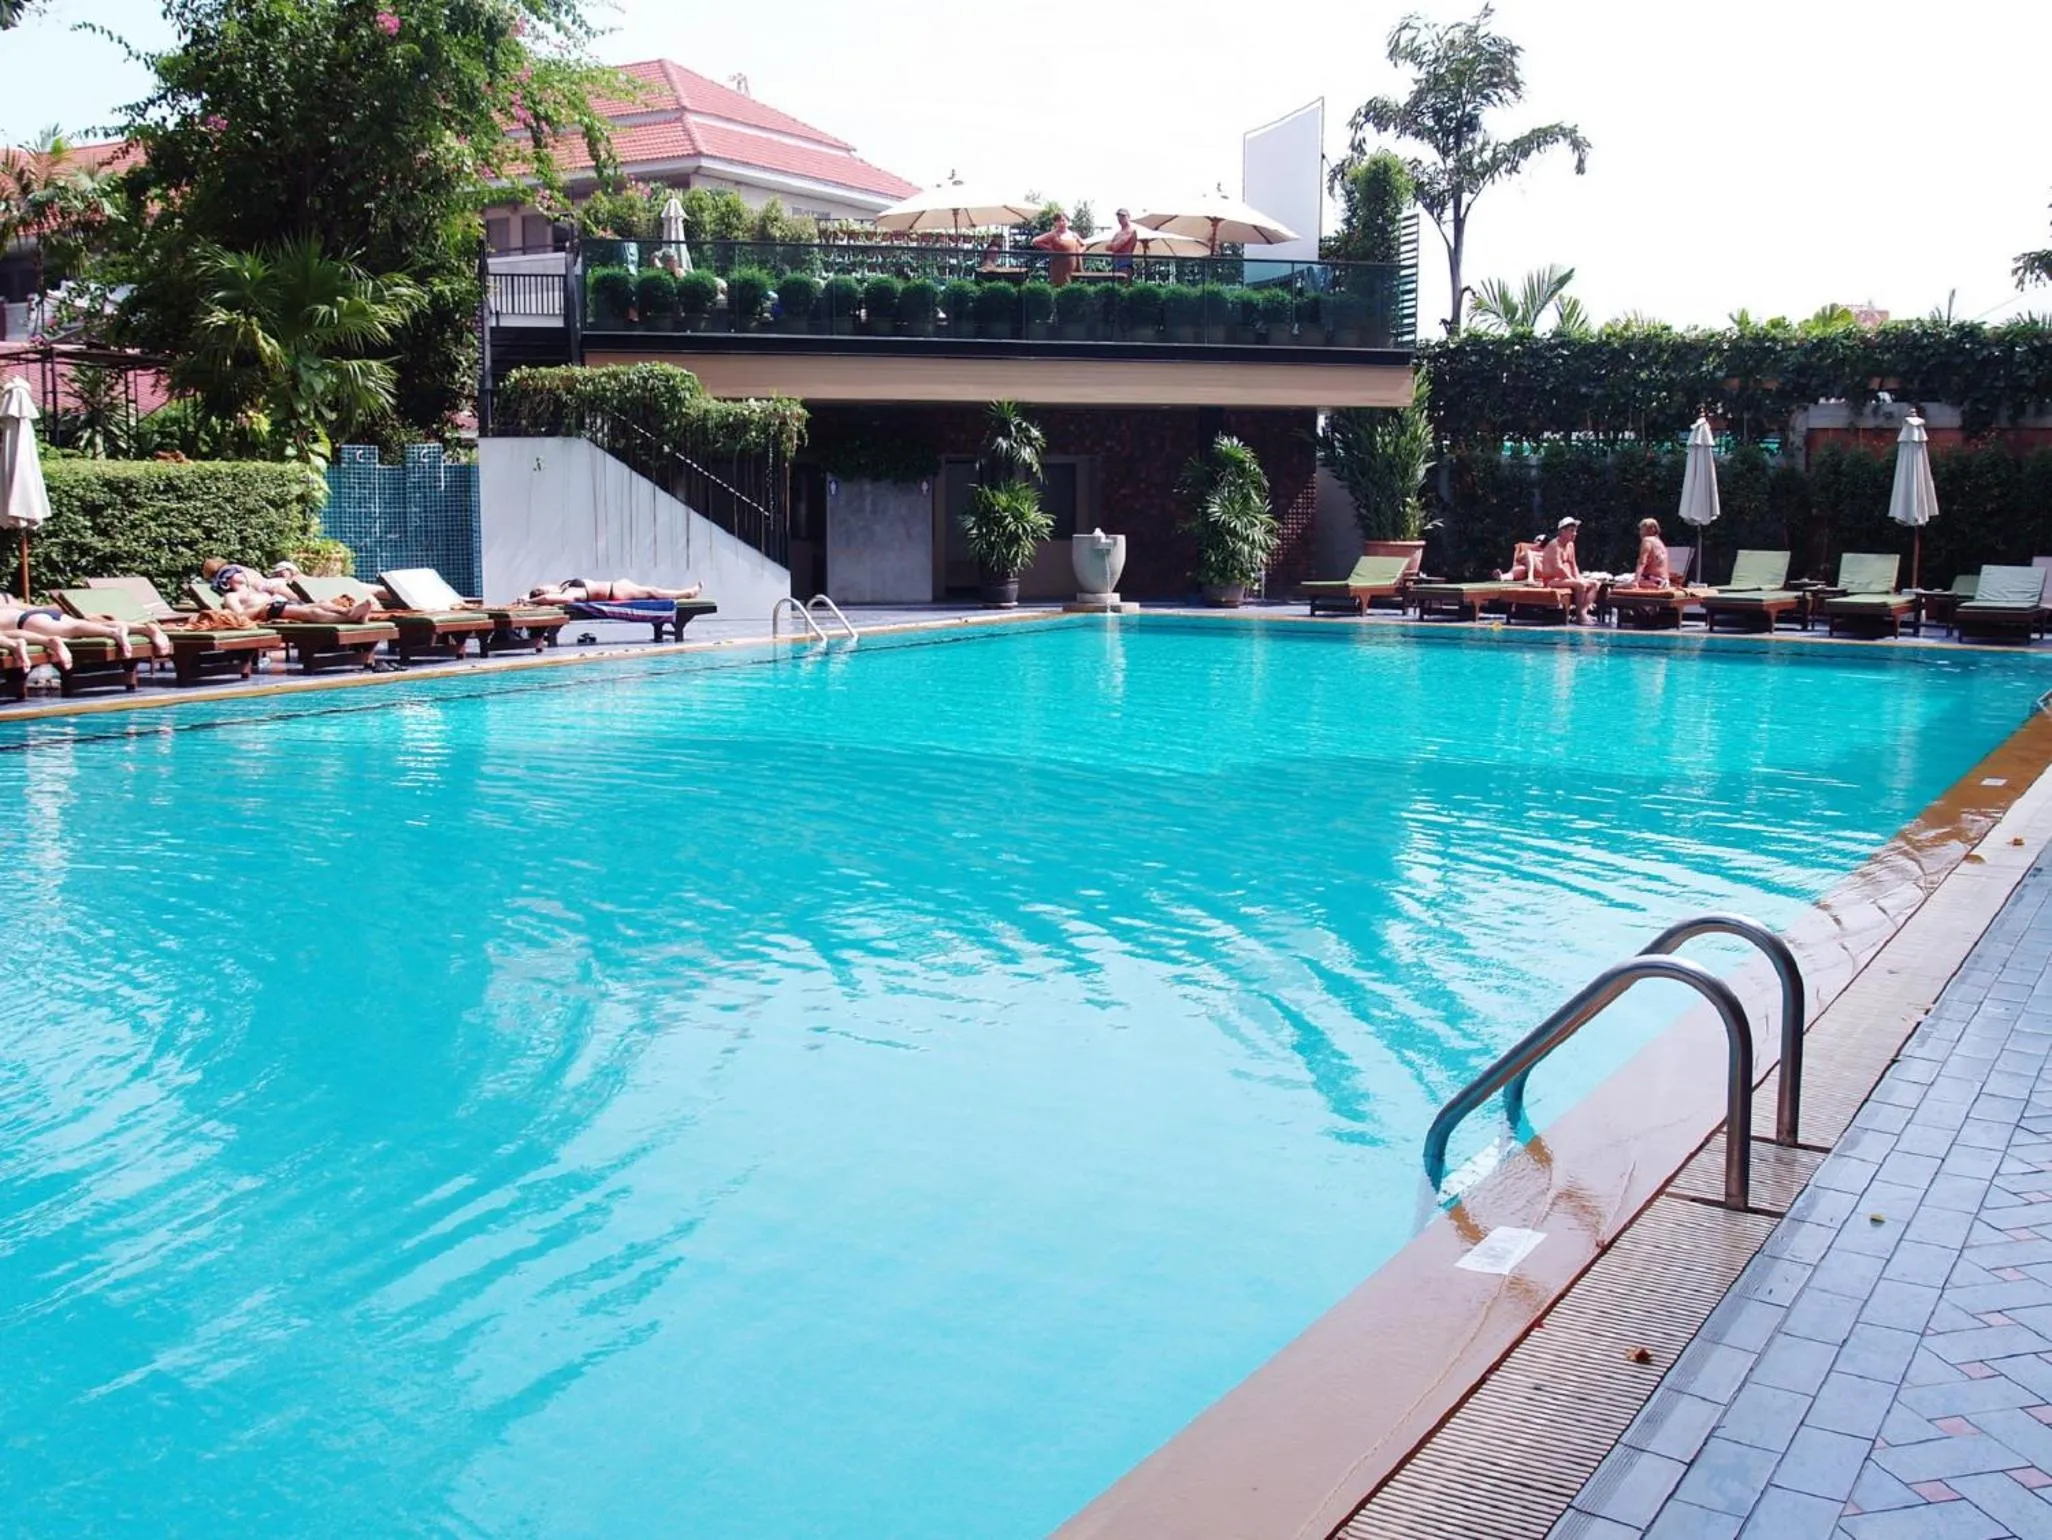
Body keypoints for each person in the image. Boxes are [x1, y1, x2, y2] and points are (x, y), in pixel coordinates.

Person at [0, 594, 172, 663]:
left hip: (27, 622)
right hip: (41, 613)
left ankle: (113, 632)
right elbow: (30, 606)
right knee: (84, 625)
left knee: (74, 630)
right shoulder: (5, 598)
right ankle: (143, 629)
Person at [214, 566, 377, 624]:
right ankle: (351, 618)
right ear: (226, 582)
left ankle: (349, 612)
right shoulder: (231, 596)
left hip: (278, 606)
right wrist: (265, 603)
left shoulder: (254, 591)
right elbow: (240, 616)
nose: (240, 573)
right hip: (270, 610)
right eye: (233, 573)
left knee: (321, 603)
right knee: (313, 613)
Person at [1533, 517, 1600, 624]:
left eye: (1575, 531)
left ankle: (1583, 612)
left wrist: (1578, 578)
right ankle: (1580, 616)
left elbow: (1574, 565)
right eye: (1571, 531)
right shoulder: (1554, 545)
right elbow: (1558, 568)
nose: (1575, 534)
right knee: (1580, 585)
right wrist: (1574, 580)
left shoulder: (1570, 545)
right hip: (1551, 580)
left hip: (1564, 579)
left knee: (1595, 584)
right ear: (1562, 531)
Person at [525, 579, 703, 603]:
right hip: (615, 592)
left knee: (652, 591)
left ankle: (687, 592)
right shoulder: (567, 594)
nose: (545, 585)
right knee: (653, 591)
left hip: (615, 586)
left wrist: (525, 598)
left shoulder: (564, 587)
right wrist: (531, 601)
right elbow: (565, 600)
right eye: (542, 589)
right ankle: (688, 593)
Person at [1030, 212, 1084, 287]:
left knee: (1075, 286)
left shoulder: (1074, 235)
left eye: (1063, 220)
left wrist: (1078, 252)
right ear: (1055, 223)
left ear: (1068, 222)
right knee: (1059, 286)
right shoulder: (1053, 234)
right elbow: (1035, 241)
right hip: (1059, 266)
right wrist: (1051, 249)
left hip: (1074, 266)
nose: (1061, 223)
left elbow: (1084, 245)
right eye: (1058, 221)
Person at [1618, 517, 1673, 590]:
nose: (1640, 532)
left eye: (1641, 529)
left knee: (1616, 586)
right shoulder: (1661, 543)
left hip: (1654, 582)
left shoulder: (1647, 540)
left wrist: (1635, 582)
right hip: (1665, 582)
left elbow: (1642, 562)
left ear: (1650, 530)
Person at [1105, 208, 1139, 276]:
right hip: (1115, 263)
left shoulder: (1131, 231)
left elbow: (1115, 247)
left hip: (1125, 264)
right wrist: (1114, 246)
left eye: (1123, 216)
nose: (1120, 218)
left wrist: (1114, 245)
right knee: (1116, 285)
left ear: (1128, 217)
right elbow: (1107, 247)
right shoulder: (1118, 233)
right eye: (1118, 216)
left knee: (1124, 285)